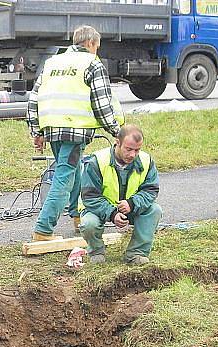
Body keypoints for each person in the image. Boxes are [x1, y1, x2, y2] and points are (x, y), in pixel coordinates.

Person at [27, 25, 122, 242]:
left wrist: (36, 131)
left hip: (52, 128)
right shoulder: (92, 63)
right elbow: (102, 104)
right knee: (64, 176)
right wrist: (117, 131)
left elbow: (34, 98)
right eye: (97, 46)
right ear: (90, 43)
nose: (96, 50)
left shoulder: (52, 62)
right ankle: (43, 229)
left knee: (76, 170)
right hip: (74, 130)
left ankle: (78, 215)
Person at [79, 124, 161, 265]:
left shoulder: (146, 161)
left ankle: (136, 253)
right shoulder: (97, 162)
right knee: (89, 224)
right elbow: (90, 196)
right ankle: (96, 251)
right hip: (100, 209)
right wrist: (112, 213)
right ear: (117, 142)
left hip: (130, 207)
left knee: (154, 210)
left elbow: (150, 190)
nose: (132, 155)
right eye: (128, 149)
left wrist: (132, 203)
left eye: (137, 150)